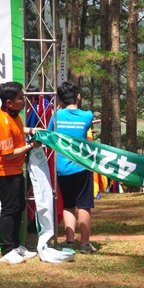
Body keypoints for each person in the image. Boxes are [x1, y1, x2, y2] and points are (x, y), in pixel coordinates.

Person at [0, 82, 42, 263]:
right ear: (10, 102)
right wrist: (30, 146)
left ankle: (15, 246)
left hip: (15, 171)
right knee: (10, 209)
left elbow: (18, 130)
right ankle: (6, 250)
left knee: (18, 207)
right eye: (21, 98)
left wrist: (32, 130)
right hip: (4, 172)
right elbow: (9, 154)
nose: (24, 100)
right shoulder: (3, 122)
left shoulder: (13, 114)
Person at [50, 81, 96, 254]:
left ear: (60, 99)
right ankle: (85, 244)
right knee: (84, 205)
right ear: (78, 96)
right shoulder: (87, 116)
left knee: (68, 205)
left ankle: (69, 242)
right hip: (82, 167)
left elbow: (49, 135)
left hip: (62, 168)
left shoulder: (56, 116)